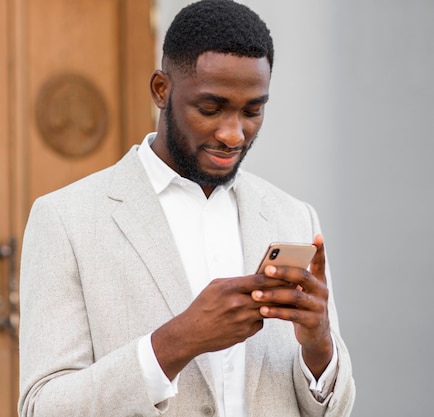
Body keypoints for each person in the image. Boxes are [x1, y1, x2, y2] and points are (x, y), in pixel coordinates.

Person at [18, 1, 356, 416]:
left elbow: (331, 410)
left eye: (253, 111)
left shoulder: (294, 216)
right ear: (162, 90)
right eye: (210, 109)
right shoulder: (66, 220)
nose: (234, 134)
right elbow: (43, 407)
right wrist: (178, 341)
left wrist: (319, 343)